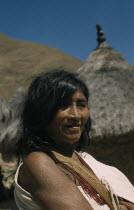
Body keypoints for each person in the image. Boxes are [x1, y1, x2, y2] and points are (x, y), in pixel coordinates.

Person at [14, 70, 134, 210]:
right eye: (63, 105)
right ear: (41, 112)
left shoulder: (84, 159)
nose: (75, 115)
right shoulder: (38, 162)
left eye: (81, 105)